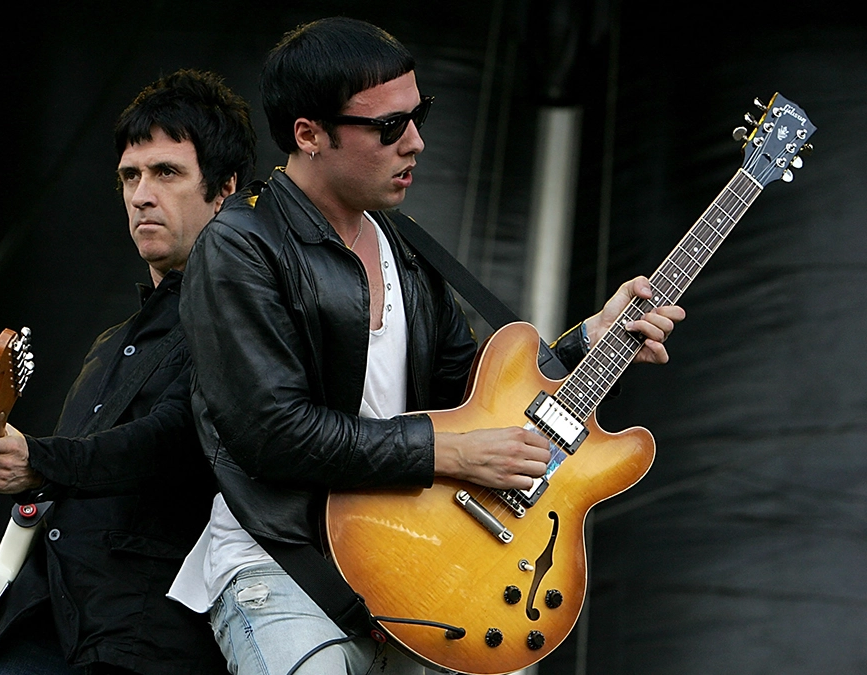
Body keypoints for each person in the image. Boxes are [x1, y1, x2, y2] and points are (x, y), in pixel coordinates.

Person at [167, 18, 686, 675]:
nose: (415, 141)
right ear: (309, 134)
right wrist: (454, 452)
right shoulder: (240, 245)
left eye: (420, 115)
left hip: (411, 562)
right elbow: (273, 433)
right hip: (283, 564)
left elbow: (469, 399)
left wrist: (589, 342)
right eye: (389, 126)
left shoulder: (406, 247)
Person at [0, 69, 256, 675]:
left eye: (166, 173)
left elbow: (174, 439)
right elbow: (57, 510)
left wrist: (39, 461)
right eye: (130, 175)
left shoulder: (245, 317)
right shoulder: (110, 346)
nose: (141, 194)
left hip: (141, 639)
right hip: (37, 628)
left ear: (224, 188)